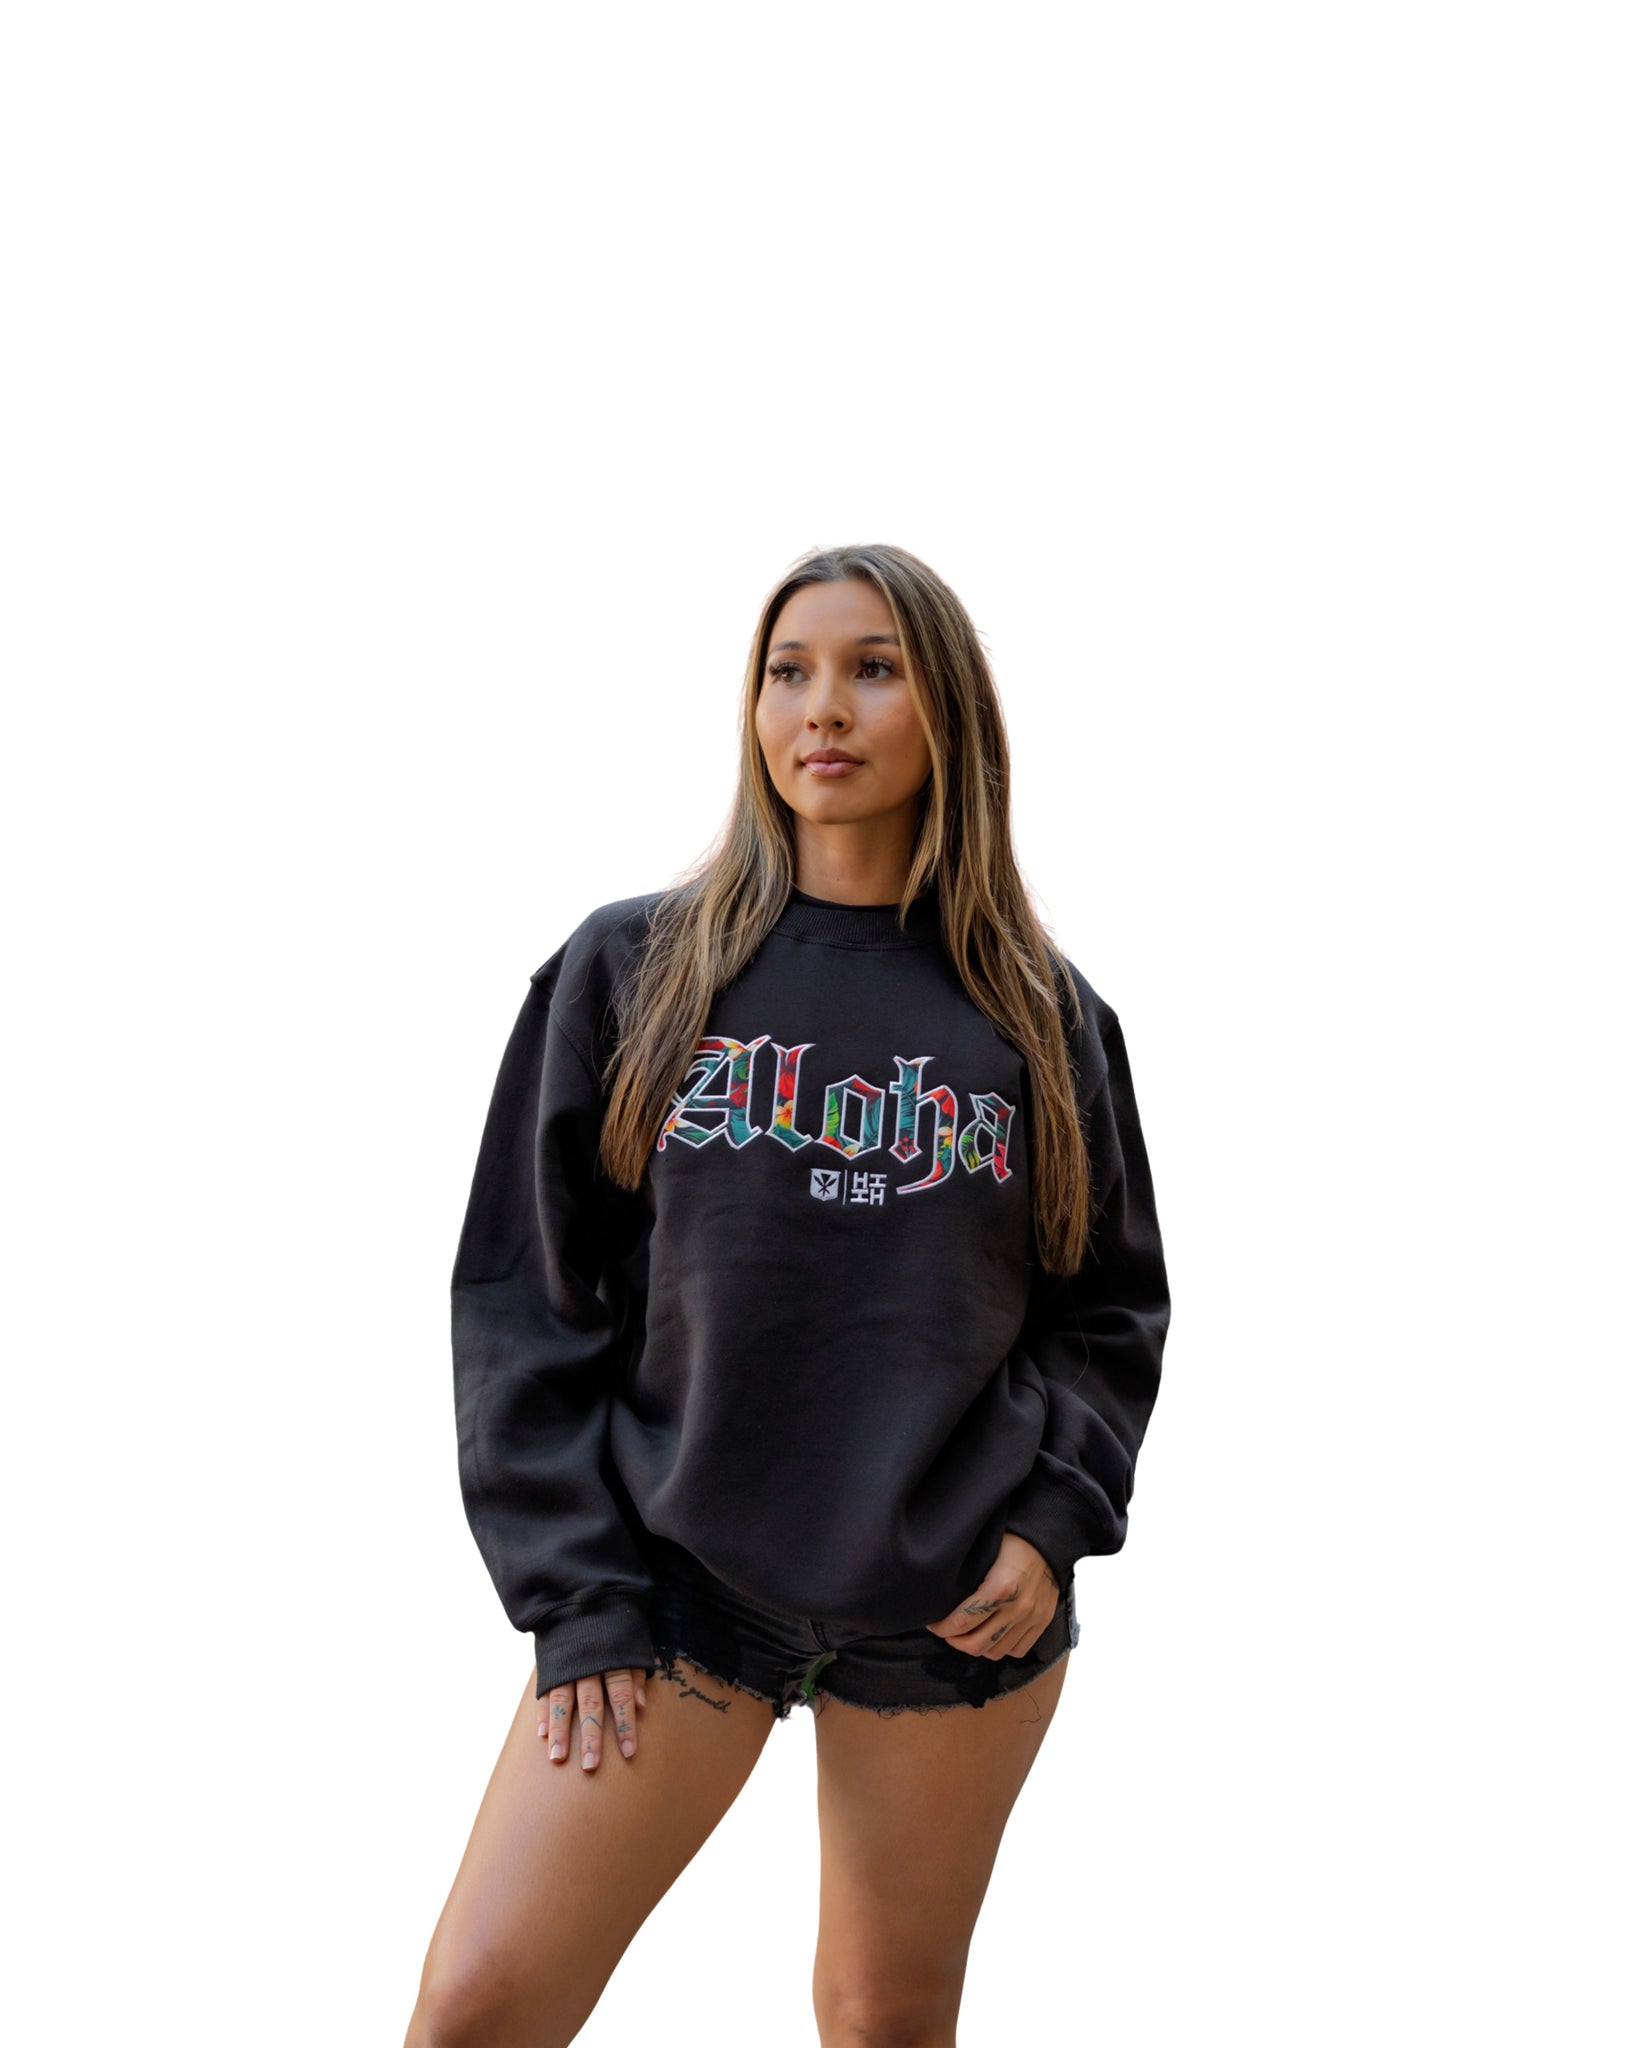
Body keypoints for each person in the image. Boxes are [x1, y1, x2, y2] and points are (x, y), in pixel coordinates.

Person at [404, 542, 1171, 2048]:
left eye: (873, 668)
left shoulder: (1041, 1012)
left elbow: (1107, 1308)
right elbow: (521, 1297)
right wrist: (576, 1594)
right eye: (788, 670)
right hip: (676, 1579)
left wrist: (1051, 1520)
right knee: (480, 2007)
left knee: (884, 2017)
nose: (822, 706)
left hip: (950, 1600)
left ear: (949, 710)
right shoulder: (633, 969)